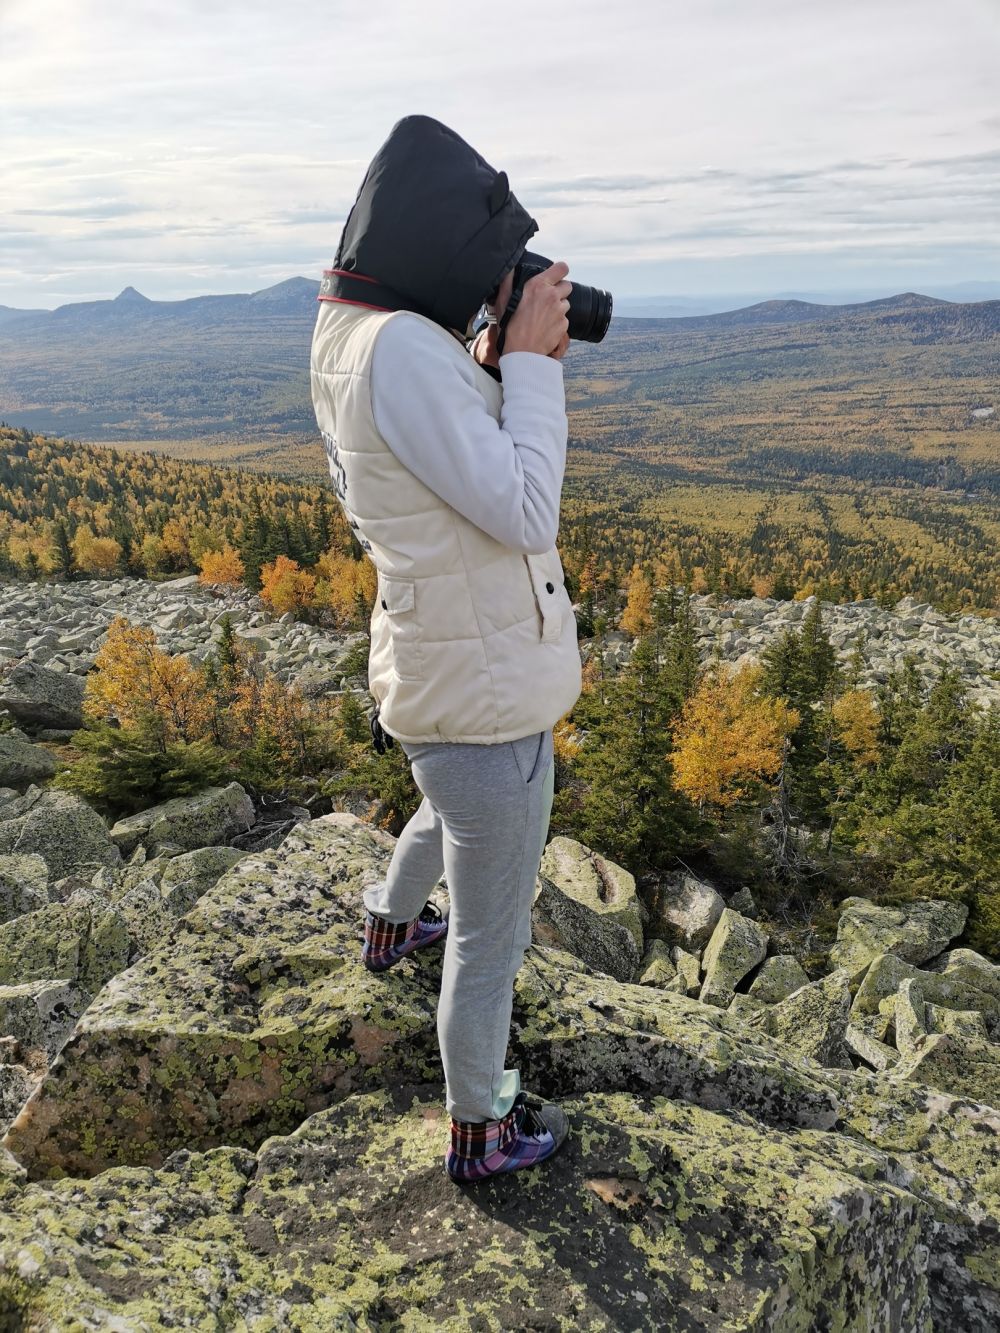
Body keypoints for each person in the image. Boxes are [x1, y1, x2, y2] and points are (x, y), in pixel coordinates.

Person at [309, 114, 583, 1184]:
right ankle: (480, 1127)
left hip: (438, 668)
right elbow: (524, 508)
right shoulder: (400, 351)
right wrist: (531, 367)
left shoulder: (351, 333)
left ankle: (387, 926)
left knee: (451, 804)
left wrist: (482, 362)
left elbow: (431, 457)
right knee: (490, 931)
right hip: (486, 688)